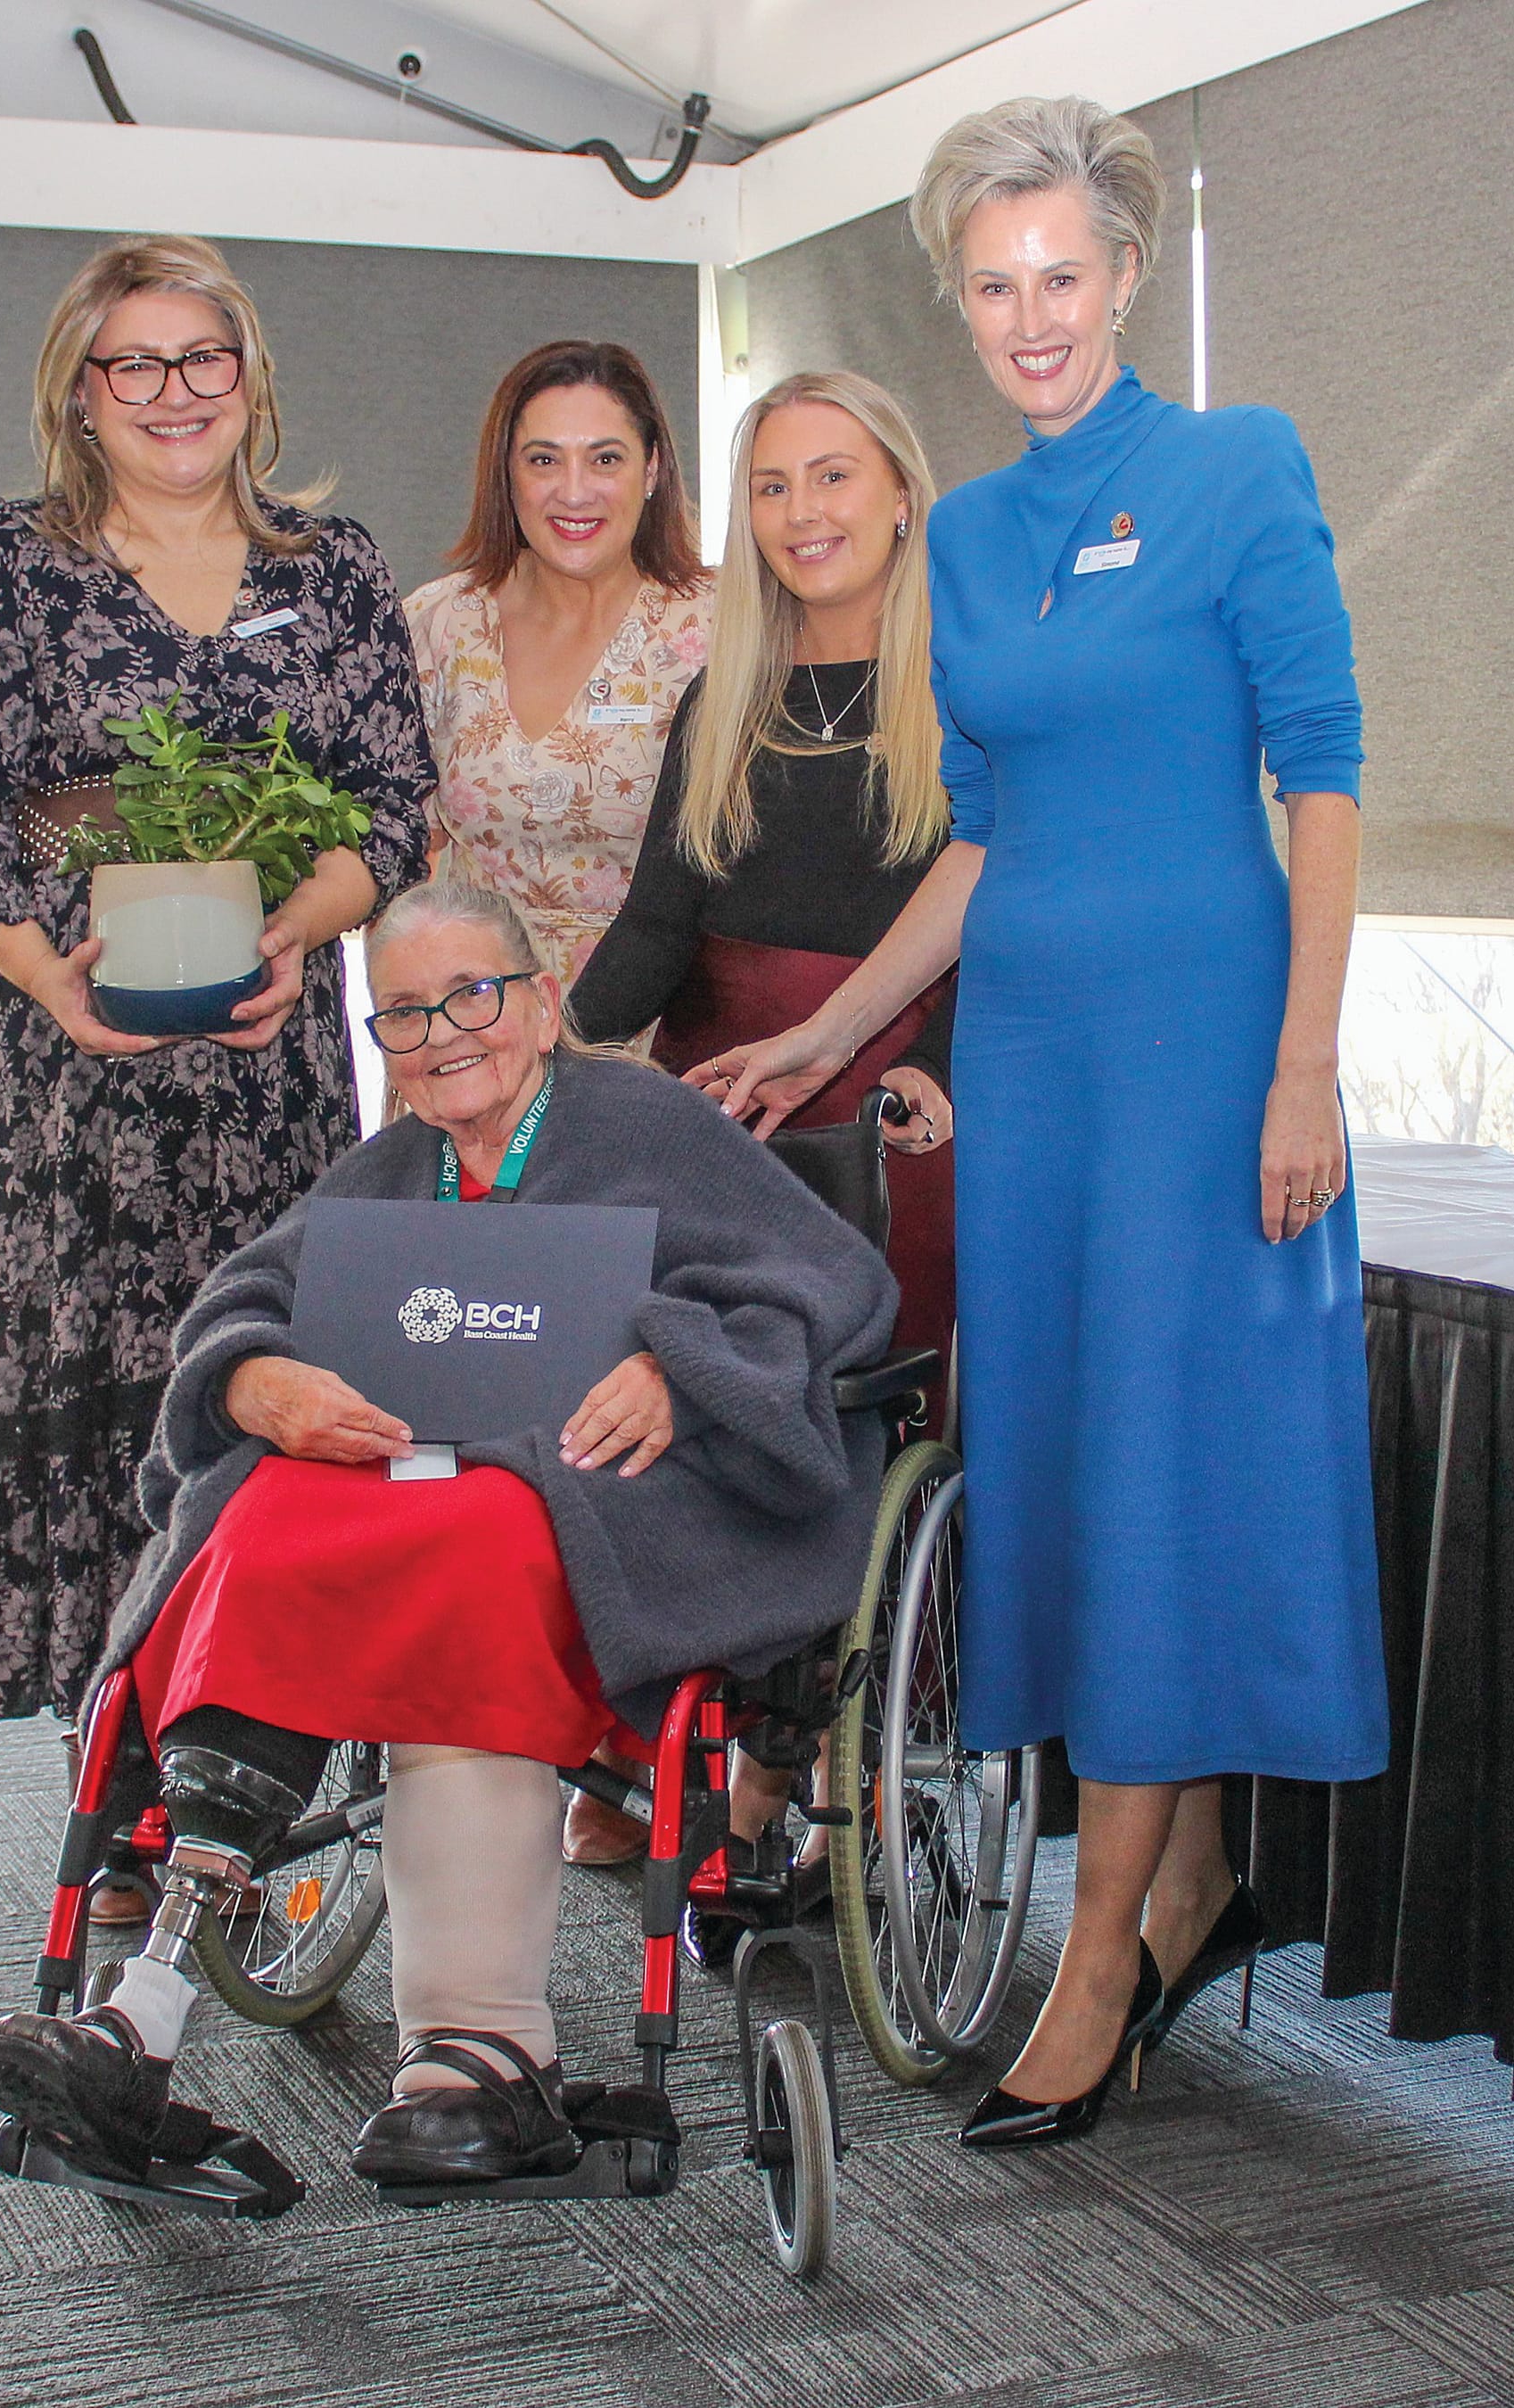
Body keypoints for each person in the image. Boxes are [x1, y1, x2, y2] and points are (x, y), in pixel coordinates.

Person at [700, 95, 1388, 2148]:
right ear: (959, 300)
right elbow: (982, 843)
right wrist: (822, 1024)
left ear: (1126, 273)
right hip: (1032, 1071)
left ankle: (1098, 1961)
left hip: (1201, 1064)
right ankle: (1173, 1883)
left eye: (1062, 276)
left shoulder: (1236, 463)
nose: (1030, 316)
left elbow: (1326, 775)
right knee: (1074, 1481)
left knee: (1169, 1483)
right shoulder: (974, 536)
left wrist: (1304, 1058)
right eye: (992, 285)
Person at [0, 879, 896, 2187]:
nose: (445, 1033)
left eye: (473, 995)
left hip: (608, 1496)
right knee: (270, 1508)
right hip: (421, 1484)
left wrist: (686, 1364)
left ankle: (484, 2052)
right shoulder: (392, 1165)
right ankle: (141, 2014)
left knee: (485, 1535)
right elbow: (248, 1297)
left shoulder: (646, 1121)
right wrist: (250, 1383)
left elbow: (831, 1280)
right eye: (404, 1013)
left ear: (541, 1001)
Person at [0, 234, 433, 1737]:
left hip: (263, 1081)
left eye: (206, 357)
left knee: (259, 1410)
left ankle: (236, 1803)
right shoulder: (6, 561)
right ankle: (113, 1817)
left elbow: (390, 803)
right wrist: (40, 977)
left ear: (250, 379)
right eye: (136, 361)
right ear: (79, 391)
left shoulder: (334, 573)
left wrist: (295, 932)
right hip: (50, 1088)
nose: (174, 391)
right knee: (98, 1435)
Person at [567, 368, 956, 1866]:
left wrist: (953, 1077)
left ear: (900, 492)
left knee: (842, 1422)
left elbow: (1004, 915)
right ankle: (709, 1741)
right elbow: (657, 926)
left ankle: (822, 1752)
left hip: (892, 1098)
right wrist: (539, 1041)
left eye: (834, 477)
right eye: (773, 486)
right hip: (714, 1100)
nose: (802, 515)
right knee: (680, 1406)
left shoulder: (961, 689)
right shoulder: (718, 698)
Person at [404, 341, 712, 988]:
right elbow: (405, 859)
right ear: (506, 473)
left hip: (664, 1028)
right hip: (472, 1026)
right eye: (543, 460)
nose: (574, 492)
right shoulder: (437, 625)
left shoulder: (724, 628)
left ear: (652, 470)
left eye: (605, 459)